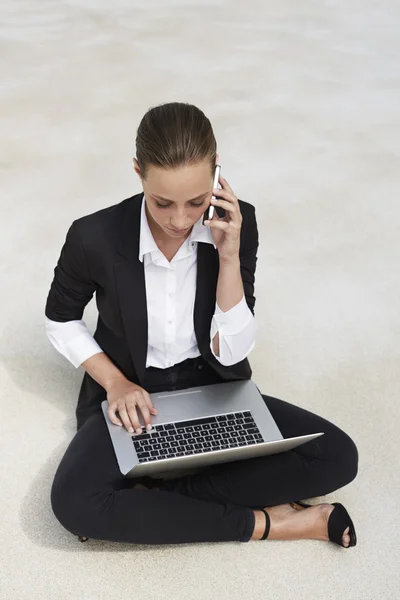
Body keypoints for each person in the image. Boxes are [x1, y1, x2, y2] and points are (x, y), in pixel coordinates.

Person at [45, 102, 358, 548]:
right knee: (73, 503)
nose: (179, 220)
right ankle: (276, 524)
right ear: (138, 172)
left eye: (195, 201)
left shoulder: (236, 224)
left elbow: (231, 351)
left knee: (337, 457)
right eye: (162, 202)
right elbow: (59, 319)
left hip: (215, 387)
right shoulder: (92, 236)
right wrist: (114, 383)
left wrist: (228, 255)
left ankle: (156, 502)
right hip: (133, 398)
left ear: (216, 175)